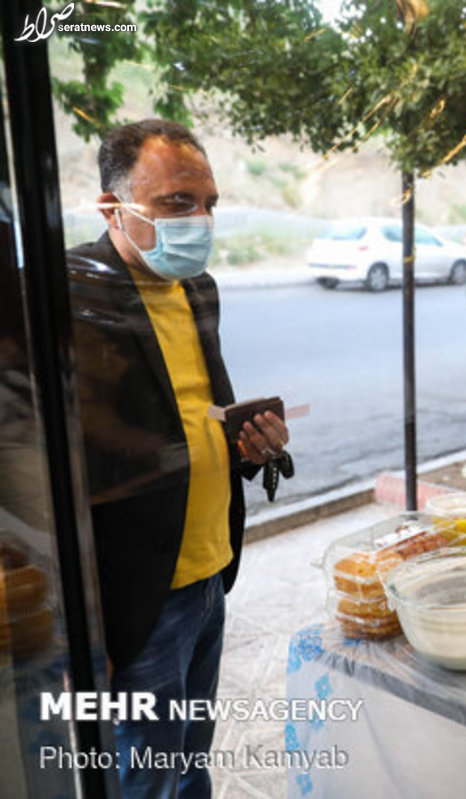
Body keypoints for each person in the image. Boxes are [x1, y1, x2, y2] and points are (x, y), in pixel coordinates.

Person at [66, 119, 289, 797]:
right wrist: (75, 633)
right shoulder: (65, 298)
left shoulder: (199, 288)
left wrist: (252, 447)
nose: (200, 220)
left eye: (209, 203)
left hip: (208, 570)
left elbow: (200, 412)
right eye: (175, 204)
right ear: (112, 208)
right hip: (133, 598)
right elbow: (42, 471)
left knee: (191, 761)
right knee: (146, 777)